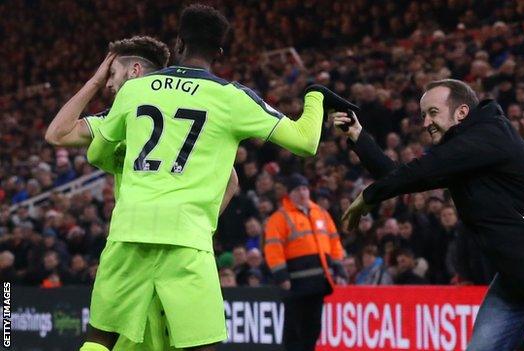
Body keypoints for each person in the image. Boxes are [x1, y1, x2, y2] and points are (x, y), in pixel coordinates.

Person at [81, 4, 356, 351]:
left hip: (128, 230)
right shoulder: (232, 98)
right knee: (202, 345)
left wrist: (128, 165)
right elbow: (305, 143)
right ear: (219, 52)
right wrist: (315, 95)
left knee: (100, 339)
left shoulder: (135, 91)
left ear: (179, 44)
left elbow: (96, 153)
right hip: (186, 236)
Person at [339, 79, 524, 350]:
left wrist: (369, 196)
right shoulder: (456, 155)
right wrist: (359, 137)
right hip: (518, 278)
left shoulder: (491, 133)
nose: (426, 123)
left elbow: (417, 173)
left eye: (433, 113)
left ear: (462, 112)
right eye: (424, 115)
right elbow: (401, 178)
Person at [47, 36, 227, 351]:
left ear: (134, 71)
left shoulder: (125, 117)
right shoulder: (167, 114)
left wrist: (93, 80)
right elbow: (232, 179)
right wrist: (197, 228)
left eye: (111, 76)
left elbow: (57, 134)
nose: (107, 85)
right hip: (177, 255)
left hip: (134, 253)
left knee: (104, 340)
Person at [263, 173, 346, 351]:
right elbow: (273, 249)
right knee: (294, 330)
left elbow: (334, 242)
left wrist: (338, 268)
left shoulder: (321, 214)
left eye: (304, 188)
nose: (302, 192)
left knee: (313, 328)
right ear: (289, 194)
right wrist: (282, 276)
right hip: (295, 284)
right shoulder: (280, 218)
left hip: (318, 283)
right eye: (297, 189)